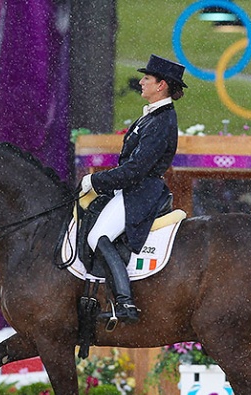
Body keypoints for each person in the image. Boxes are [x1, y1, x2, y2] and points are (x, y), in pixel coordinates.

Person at [79, 54, 187, 325]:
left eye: (147, 78)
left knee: (97, 236)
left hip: (141, 191)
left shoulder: (162, 121)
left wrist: (96, 181)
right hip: (131, 189)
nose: (141, 82)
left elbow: (136, 169)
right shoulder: (151, 117)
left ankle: (125, 303)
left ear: (161, 85)